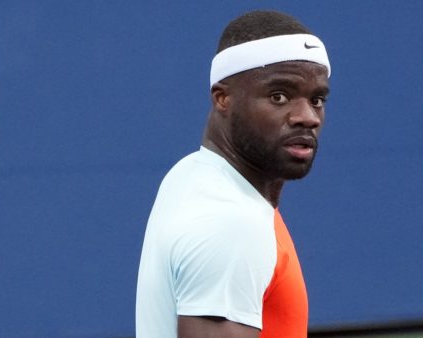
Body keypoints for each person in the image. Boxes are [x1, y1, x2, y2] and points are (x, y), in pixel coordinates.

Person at [136, 9, 331, 338]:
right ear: (223, 98)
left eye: (317, 99)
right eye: (279, 96)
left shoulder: (190, 175)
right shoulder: (232, 223)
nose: (307, 117)